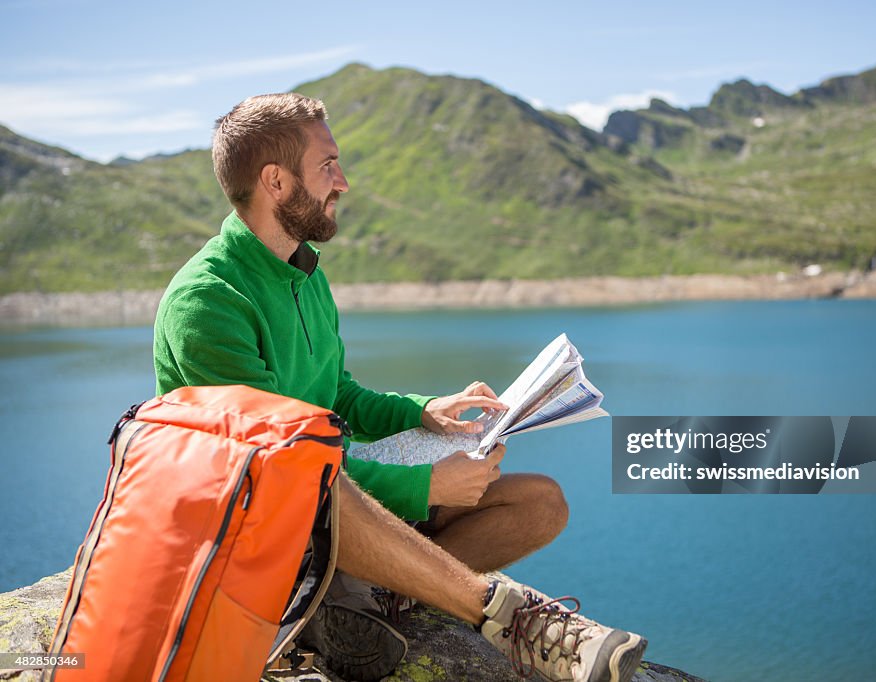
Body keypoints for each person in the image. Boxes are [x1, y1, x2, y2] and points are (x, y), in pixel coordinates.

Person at [153, 92, 646, 682]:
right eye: (327, 166)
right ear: (276, 182)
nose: (344, 182)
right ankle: (506, 617)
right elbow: (279, 468)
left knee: (541, 502)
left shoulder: (305, 273)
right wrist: (424, 485)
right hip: (265, 520)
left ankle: (380, 598)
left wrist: (427, 412)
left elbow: (340, 400)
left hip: (325, 492)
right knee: (325, 487)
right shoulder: (208, 300)